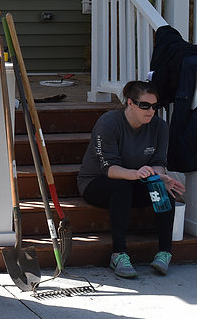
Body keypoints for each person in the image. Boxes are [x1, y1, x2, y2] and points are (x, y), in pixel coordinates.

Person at [77, 80, 186, 278]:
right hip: (97, 182)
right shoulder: (108, 123)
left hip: (136, 181)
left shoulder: (160, 127)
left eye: (155, 106)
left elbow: (158, 161)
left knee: (161, 189)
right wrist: (136, 174)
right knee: (122, 186)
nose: (150, 111)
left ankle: (164, 252)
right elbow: (108, 169)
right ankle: (118, 254)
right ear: (130, 103)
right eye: (144, 105)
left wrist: (159, 176)